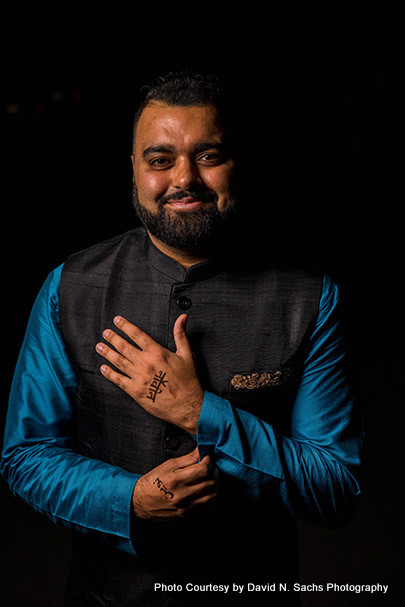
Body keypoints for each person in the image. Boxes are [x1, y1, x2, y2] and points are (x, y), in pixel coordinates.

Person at [1, 71, 363, 606]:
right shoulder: (69, 286)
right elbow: (26, 454)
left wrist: (200, 411)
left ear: (238, 161)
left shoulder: (310, 296)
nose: (184, 178)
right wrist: (130, 501)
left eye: (209, 156)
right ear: (134, 169)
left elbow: (335, 487)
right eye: (160, 159)